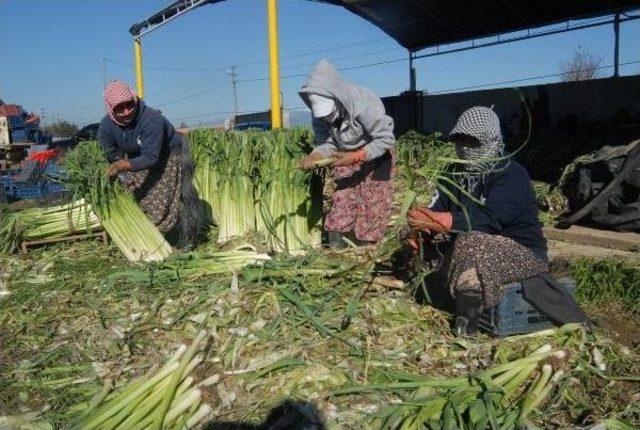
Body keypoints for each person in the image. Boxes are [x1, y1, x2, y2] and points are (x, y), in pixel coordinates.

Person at [406, 106, 549, 335]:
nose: (463, 148)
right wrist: (420, 226)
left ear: (489, 140)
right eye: (459, 140)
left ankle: (466, 328)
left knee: (471, 242)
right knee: (434, 242)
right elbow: (437, 208)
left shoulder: (510, 173)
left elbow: (491, 220)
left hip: (522, 252)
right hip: (470, 250)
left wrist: (445, 220)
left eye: (472, 142)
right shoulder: (454, 173)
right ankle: (439, 292)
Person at [298, 59, 396, 248]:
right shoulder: (319, 114)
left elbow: (385, 139)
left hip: (375, 155)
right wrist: (315, 156)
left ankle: (366, 254)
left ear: (337, 98)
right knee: (341, 204)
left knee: (372, 208)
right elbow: (325, 141)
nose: (326, 117)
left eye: (329, 112)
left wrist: (356, 156)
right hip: (344, 157)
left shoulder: (363, 104)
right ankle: (339, 253)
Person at [97, 80, 201, 249]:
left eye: (129, 105)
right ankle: (154, 234)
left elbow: (151, 157)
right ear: (110, 108)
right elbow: (107, 151)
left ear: (134, 99)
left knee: (160, 197)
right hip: (137, 159)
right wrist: (116, 168)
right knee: (135, 192)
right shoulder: (107, 125)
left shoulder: (151, 119)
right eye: (119, 108)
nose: (126, 111)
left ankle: (181, 236)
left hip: (167, 156)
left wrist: (122, 165)